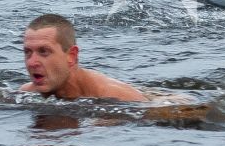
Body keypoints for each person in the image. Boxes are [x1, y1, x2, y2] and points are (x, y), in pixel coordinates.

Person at [19, 13, 148, 101]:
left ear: (71, 56)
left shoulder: (116, 97)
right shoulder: (26, 93)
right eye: (28, 52)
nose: (32, 62)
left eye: (43, 51)